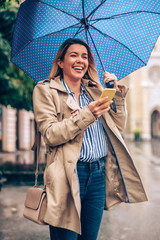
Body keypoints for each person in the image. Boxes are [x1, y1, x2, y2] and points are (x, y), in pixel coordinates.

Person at [33, 38, 147, 240]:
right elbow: (50, 134)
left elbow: (117, 127)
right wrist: (87, 114)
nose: (80, 60)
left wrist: (116, 94)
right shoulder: (45, 90)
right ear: (60, 61)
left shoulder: (94, 90)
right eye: (74, 55)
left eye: (85, 56)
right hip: (68, 176)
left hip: (97, 175)